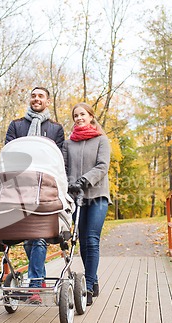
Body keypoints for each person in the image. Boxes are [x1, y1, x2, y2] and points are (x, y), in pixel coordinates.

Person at [4, 86, 65, 304]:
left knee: (38, 237)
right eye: (33, 95)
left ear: (48, 101)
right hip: (20, 188)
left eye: (41, 96)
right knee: (29, 237)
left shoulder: (56, 129)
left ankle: (36, 285)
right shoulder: (16, 125)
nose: (36, 99)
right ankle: (35, 282)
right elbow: (9, 153)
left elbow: (58, 158)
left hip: (44, 188)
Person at [63, 102, 110, 306]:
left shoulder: (101, 140)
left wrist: (84, 180)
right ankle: (94, 279)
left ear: (91, 116)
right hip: (77, 198)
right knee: (81, 240)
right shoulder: (68, 144)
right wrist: (69, 185)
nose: (79, 118)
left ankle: (88, 286)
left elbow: (102, 166)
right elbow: (63, 168)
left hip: (98, 195)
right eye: (75, 115)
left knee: (92, 239)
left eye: (82, 114)